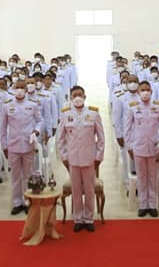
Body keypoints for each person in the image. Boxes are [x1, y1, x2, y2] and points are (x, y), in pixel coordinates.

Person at [58, 86, 105, 232]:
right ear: (71, 98)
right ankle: (78, 218)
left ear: (84, 96)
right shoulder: (65, 115)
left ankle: (89, 218)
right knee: (76, 189)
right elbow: (60, 139)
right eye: (74, 95)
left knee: (89, 190)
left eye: (80, 95)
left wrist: (98, 157)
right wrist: (64, 157)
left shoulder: (93, 113)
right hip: (73, 159)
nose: (77, 97)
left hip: (89, 158)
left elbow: (101, 138)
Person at [124, 81, 159, 217]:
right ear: (138, 92)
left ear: (151, 91)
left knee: (153, 177)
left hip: (154, 147)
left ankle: (152, 204)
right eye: (143, 90)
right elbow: (128, 128)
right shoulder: (132, 107)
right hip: (138, 147)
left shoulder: (158, 106)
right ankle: (143, 204)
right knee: (142, 177)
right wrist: (129, 145)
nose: (145, 92)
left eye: (148, 90)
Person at [0, 81, 42, 215]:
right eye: (17, 87)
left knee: (28, 175)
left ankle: (28, 201)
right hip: (13, 145)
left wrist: (36, 131)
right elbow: (2, 127)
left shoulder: (32, 105)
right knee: (15, 176)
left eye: (22, 88)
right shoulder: (7, 106)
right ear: (13, 89)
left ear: (26, 90)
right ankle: (17, 202)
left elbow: (40, 121)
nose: (19, 90)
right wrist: (4, 145)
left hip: (28, 144)